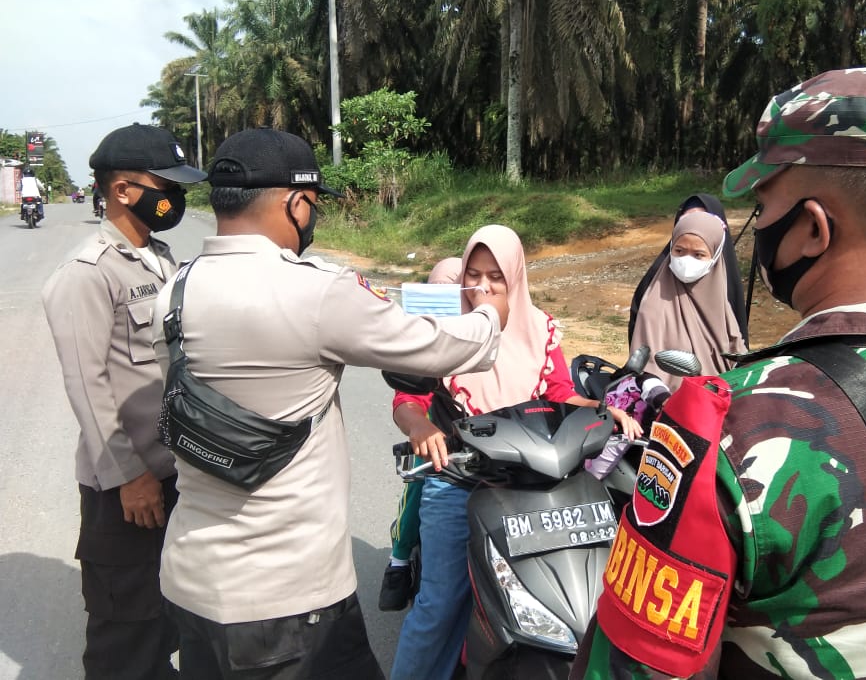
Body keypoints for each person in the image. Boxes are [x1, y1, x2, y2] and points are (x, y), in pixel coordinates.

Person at [573, 67, 866, 679]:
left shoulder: (730, 429)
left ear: (814, 229)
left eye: (764, 206)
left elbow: (632, 667)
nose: (759, 227)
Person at [149, 127, 508, 680]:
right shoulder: (315, 291)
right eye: (313, 205)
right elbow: (436, 345)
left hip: (192, 583)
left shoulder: (173, 292)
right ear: (296, 203)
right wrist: (488, 315)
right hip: (290, 601)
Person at [391, 224, 641, 680]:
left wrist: (605, 411)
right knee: (441, 604)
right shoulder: (448, 329)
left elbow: (560, 392)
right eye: (474, 275)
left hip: (528, 481)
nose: (484, 287)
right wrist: (420, 426)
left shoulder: (540, 328)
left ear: (516, 279)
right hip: (459, 478)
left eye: (496, 277)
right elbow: (409, 398)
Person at [41, 123, 208, 679]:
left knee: (169, 615)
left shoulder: (160, 259)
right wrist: (129, 476)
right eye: (167, 186)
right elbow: (87, 386)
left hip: (176, 474)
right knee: (126, 634)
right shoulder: (87, 275)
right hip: (127, 489)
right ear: (122, 190)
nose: (175, 197)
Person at [379, 255, 464, 612]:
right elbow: (408, 398)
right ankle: (399, 561)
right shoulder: (423, 341)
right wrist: (419, 424)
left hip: (494, 439)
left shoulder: (502, 333)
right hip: (440, 439)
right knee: (421, 485)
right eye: (437, 292)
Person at [629, 210, 747, 387]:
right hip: (670, 400)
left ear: (715, 256)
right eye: (679, 251)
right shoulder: (654, 306)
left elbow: (736, 353)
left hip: (721, 397)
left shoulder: (720, 303)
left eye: (698, 254)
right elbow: (646, 370)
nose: (686, 261)